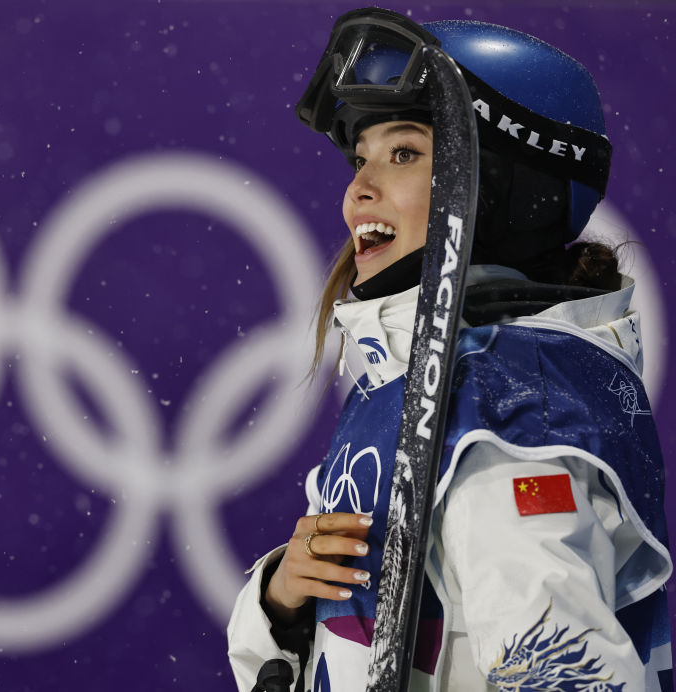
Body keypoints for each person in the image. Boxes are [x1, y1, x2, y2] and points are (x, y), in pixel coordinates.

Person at [226, 8, 672, 692]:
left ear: (504, 189)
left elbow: (564, 671)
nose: (358, 189)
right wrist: (281, 605)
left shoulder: (509, 413)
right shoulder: (431, 381)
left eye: (404, 153)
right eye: (361, 157)